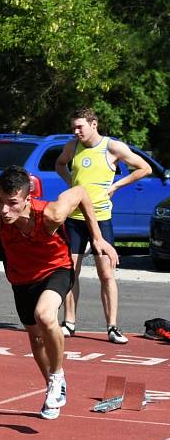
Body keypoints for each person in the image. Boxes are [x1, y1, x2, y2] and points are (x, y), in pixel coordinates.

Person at [0, 166, 119, 420]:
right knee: (36, 339)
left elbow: (81, 192)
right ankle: (52, 385)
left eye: (12, 203)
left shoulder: (51, 213)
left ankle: (58, 376)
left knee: (45, 316)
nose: (5, 210)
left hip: (56, 270)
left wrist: (97, 237)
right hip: (21, 278)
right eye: (1, 201)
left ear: (28, 199)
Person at [55, 108, 151, 344]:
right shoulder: (72, 146)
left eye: (80, 127)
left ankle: (112, 327)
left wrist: (117, 185)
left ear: (94, 124)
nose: (76, 132)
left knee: (106, 273)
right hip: (75, 219)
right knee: (70, 272)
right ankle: (69, 323)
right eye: (73, 127)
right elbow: (60, 164)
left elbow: (145, 168)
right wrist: (72, 185)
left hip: (100, 218)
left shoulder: (112, 147)